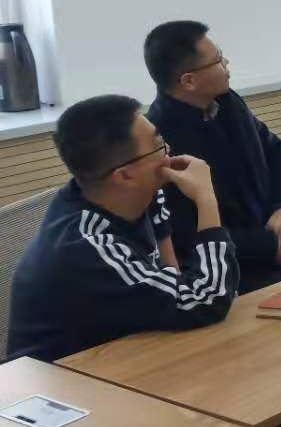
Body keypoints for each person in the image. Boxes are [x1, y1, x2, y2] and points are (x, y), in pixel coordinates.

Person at [6, 95, 238, 363]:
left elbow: (174, 279)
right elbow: (206, 300)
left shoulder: (142, 195)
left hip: (131, 352)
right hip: (62, 377)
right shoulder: (86, 245)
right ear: (125, 175)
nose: (169, 152)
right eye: (158, 146)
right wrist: (206, 198)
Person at [144, 21, 281, 293]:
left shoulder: (228, 102)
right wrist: (267, 247)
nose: (226, 63)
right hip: (236, 266)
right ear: (189, 81)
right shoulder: (159, 142)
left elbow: (279, 153)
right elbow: (183, 235)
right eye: (218, 60)